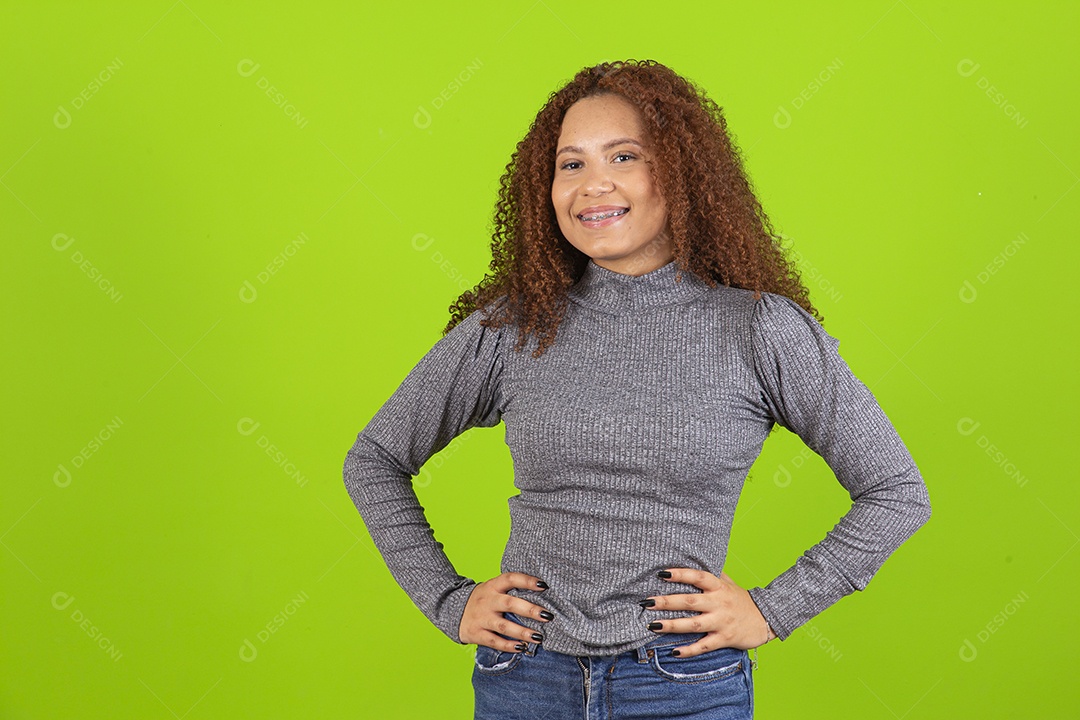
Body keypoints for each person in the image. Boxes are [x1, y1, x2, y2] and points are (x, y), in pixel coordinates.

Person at [342, 59, 931, 719]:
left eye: (624, 156)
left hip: (683, 686)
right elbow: (375, 459)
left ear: (680, 175)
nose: (595, 184)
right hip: (525, 679)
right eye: (571, 164)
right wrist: (446, 601)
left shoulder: (761, 329)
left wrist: (771, 610)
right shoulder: (513, 326)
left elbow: (896, 493)